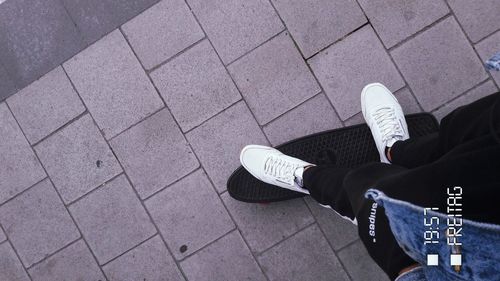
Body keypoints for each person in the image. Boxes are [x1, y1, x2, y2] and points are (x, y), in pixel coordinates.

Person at [239, 83, 500, 280]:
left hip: (464, 250)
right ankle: (395, 150)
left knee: (374, 199)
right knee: (456, 137)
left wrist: (408, 267)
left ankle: (312, 179)